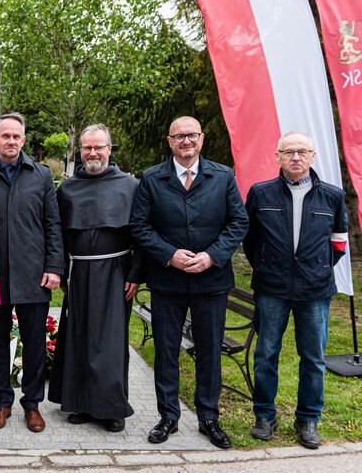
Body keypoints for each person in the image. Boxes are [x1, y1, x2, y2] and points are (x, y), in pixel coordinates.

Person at [130, 116, 248, 449]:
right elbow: (140, 227)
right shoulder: (152, 179)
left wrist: (211, 256)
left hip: (211, 281)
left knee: (209, 350)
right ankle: (168, 416)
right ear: (169, 141)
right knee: (166, 351)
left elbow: (238, 222)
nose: (186, 142)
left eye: (192, 136)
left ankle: (208, 417)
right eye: (179, 136)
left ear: (202, 139)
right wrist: (169, 254)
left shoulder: (223, 177)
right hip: (167, 281)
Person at [243, 131, 348, 449]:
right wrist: (265, 265)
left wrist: (317, 266)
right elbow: (249, 240)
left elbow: (339, 242)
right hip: (271, 288)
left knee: (313, 358)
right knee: (265, 355)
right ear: (277, 157)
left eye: (302, 151)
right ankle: (265, 415)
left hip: (315, 290)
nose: (296, 157)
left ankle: (308, 419)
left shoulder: (332, 195)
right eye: (288, 152)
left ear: (313, 156)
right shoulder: (261, 194)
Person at [0, 113, 64, 433]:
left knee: (34, 343)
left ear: (23, 140)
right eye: (5, 136)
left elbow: (53, 224)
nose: (11, 141)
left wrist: (54, 266)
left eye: (16, 137)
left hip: (34, 275)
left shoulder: (41, 175)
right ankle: (2, 402)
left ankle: (33, 404)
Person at [48, 124, 142, 432]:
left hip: (115, 271)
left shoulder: (129, 185)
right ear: (80, 151)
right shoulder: (69, 188)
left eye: (99, 147)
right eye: (87, 148)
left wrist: (135, 272)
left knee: (111, 341)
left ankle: (112, 407)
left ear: (110, 149)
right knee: (78, 336)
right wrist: (60, 269)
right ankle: (81, 403)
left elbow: (140, 233)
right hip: (79, 271)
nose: (93, 152)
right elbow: (58, 234)